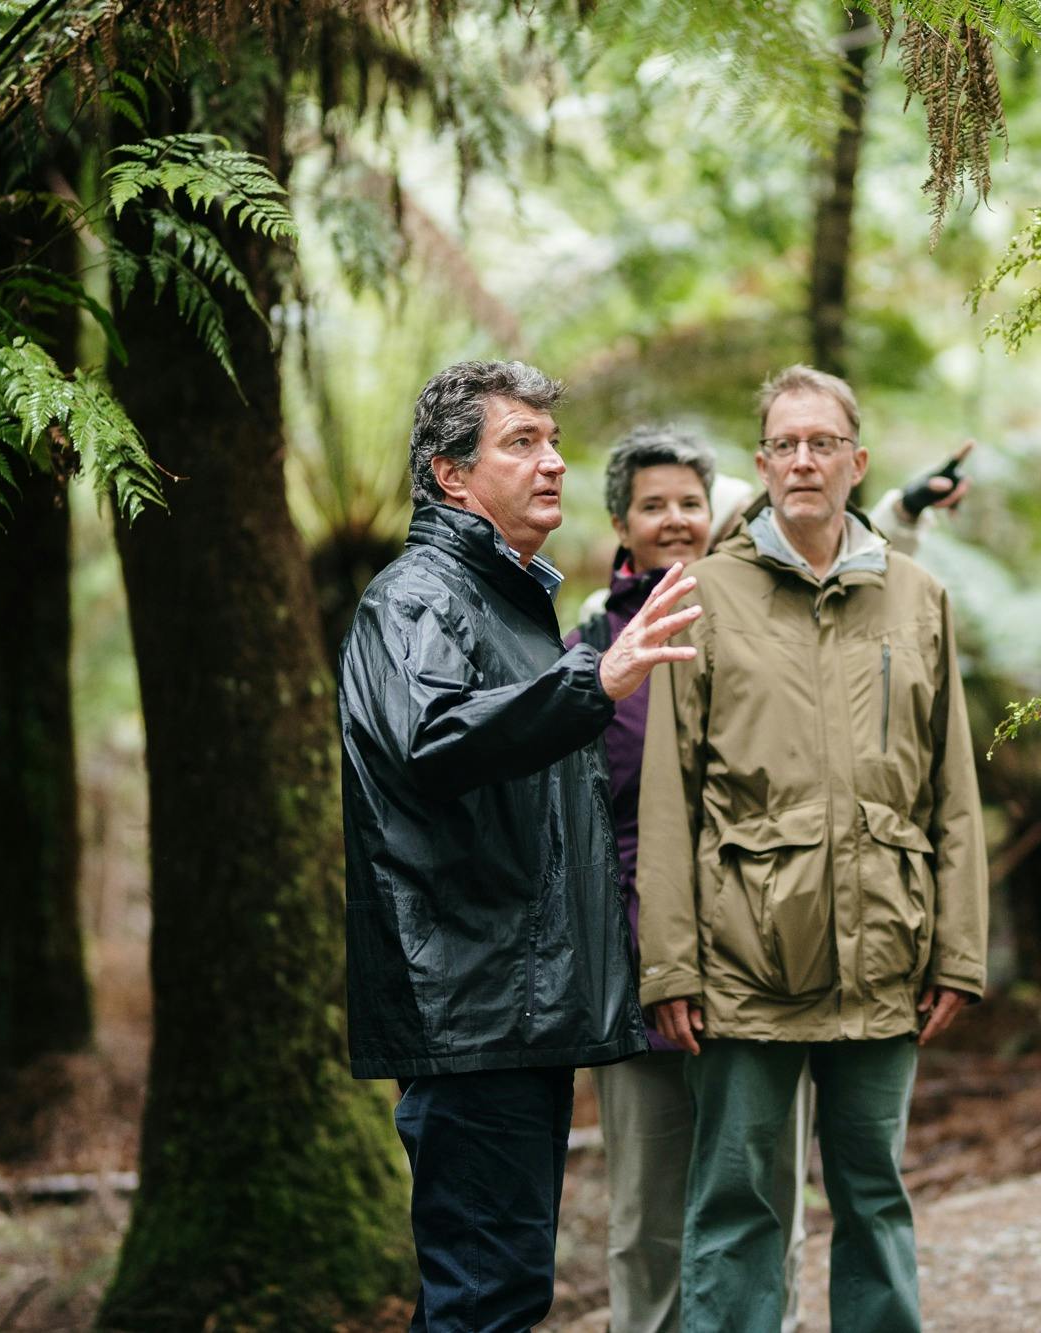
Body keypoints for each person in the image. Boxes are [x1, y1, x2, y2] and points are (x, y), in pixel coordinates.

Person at [338, 360, 701, 1333]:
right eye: (521, 443)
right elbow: (434, 736)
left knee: (500, 1290)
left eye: (552, 442)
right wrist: (594, 680)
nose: (553, 463)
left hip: (514, 1009)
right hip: (471, 1011)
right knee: (484, 1296)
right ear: (450, 475)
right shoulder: (418, 597)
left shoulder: (503, 598)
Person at [636, 365, 989, 1333]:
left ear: (855, 461)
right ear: (760, 463)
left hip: (887, 949)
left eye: (821, 442)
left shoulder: (918, 599)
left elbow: (950, 788)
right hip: (745, 960)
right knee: (737, 1205)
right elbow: (667, 792)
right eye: (785, 444)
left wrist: (957, 948)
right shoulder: (701, 595)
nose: (802, 460)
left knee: (874, 1198)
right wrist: (669, 964)